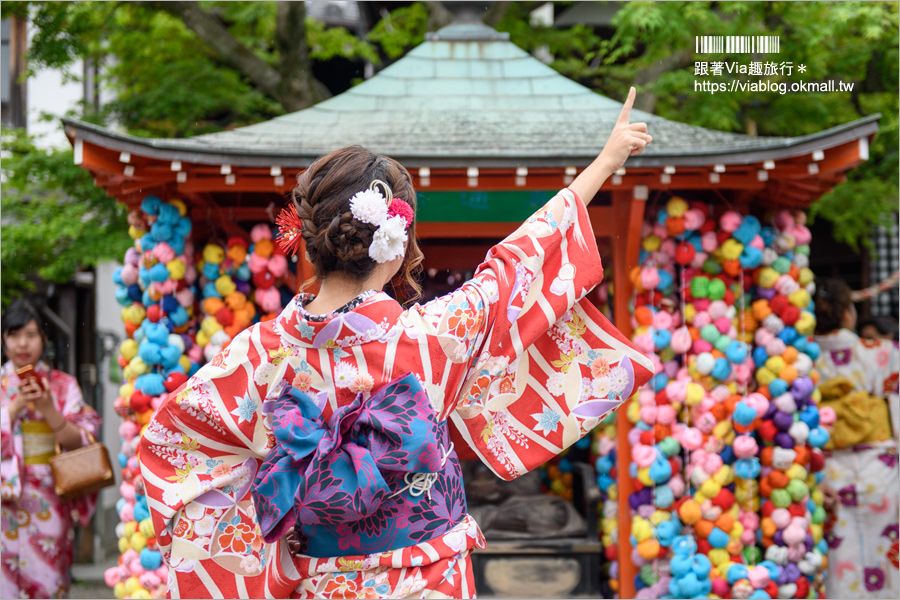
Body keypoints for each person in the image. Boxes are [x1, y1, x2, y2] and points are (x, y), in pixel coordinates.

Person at [140, 88, 654, 599]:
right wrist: (606, 161)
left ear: (312, 242)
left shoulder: (256, 354)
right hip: (430, 580)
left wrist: (266, 546)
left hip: (323, 583)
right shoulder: (433, 335)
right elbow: (518, 261)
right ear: (395, 245)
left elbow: (172, 446)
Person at [1, 299, 102, 599]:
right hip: (3, 503)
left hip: (49, 499)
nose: (23, 343)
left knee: (48, 580)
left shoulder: (63, 385)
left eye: (31, 335)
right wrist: (14, 408)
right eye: (14, 334)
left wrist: (48, 409)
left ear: (44, 339)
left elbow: (85, 441)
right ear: (4, 339)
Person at [813, 278, 899, 599]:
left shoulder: (802, 359)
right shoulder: (884, 352)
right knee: (886, 556)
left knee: (840, 560)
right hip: (880, 467)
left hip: (830, 469)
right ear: (849, 313)